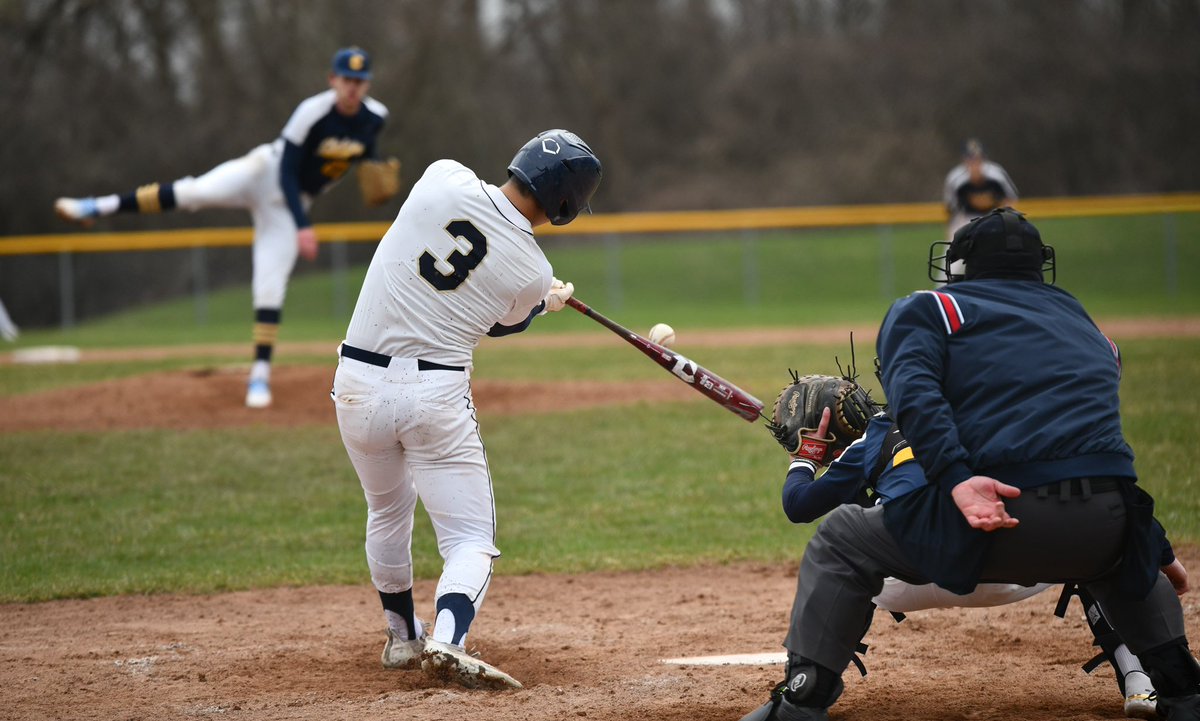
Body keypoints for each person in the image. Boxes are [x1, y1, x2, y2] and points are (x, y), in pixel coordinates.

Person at [739, 208, 1200, 721]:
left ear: (958, 267)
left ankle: (801, 701)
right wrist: (1149, 540)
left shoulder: (928, 310)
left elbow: (914, 399)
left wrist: (957, 479)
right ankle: (1182, 691)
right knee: (1117, 555)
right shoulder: (1084, 324)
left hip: (984, 526)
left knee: (844, 536)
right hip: (1101, 524)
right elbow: (1095, 442)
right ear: (1038, 266)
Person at [331, 129, 602, 690]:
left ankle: (403, 639)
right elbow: (501, 322)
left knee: (386, 511)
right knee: (470, 538)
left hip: (357, 383)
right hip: (433, 396)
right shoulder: (531, 267)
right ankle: (449, 641)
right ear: (565, 205)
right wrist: (544, 302)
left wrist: (533, 296)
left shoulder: (442, 174)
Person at [778, 399, 1171, 719]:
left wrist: (809, 456)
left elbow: (799, 505)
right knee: (1086, 543)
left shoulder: (878, 430)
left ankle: (810, 686)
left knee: (857, 548)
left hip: (906, 574)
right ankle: (1140, 680)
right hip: (1009, 567)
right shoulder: (1011, 411)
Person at [54, 47, 392, 409]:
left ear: (367, 83)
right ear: (332, 80)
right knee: (193, 192)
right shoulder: (313, 111)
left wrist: (376, 166)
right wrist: (303, 225)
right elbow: (288, 171)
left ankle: (259, 374)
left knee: (270, 287)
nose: (353, 87)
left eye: (360, 80)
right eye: (347, 79)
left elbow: (366, 149)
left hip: (288, 208)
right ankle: (97, 206)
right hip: (264, 173)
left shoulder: (376, 117)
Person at [943, 138, 1019, 238]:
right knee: (952, 246)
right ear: (964, 159)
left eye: (977, 158)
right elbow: (951, 207)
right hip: (966, 218)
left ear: (984, 158)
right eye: (970, 158)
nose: (974, 162)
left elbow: (1010, 199)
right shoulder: (955, 177)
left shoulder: (996, 173)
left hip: (994, 216)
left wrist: (1004, 218)